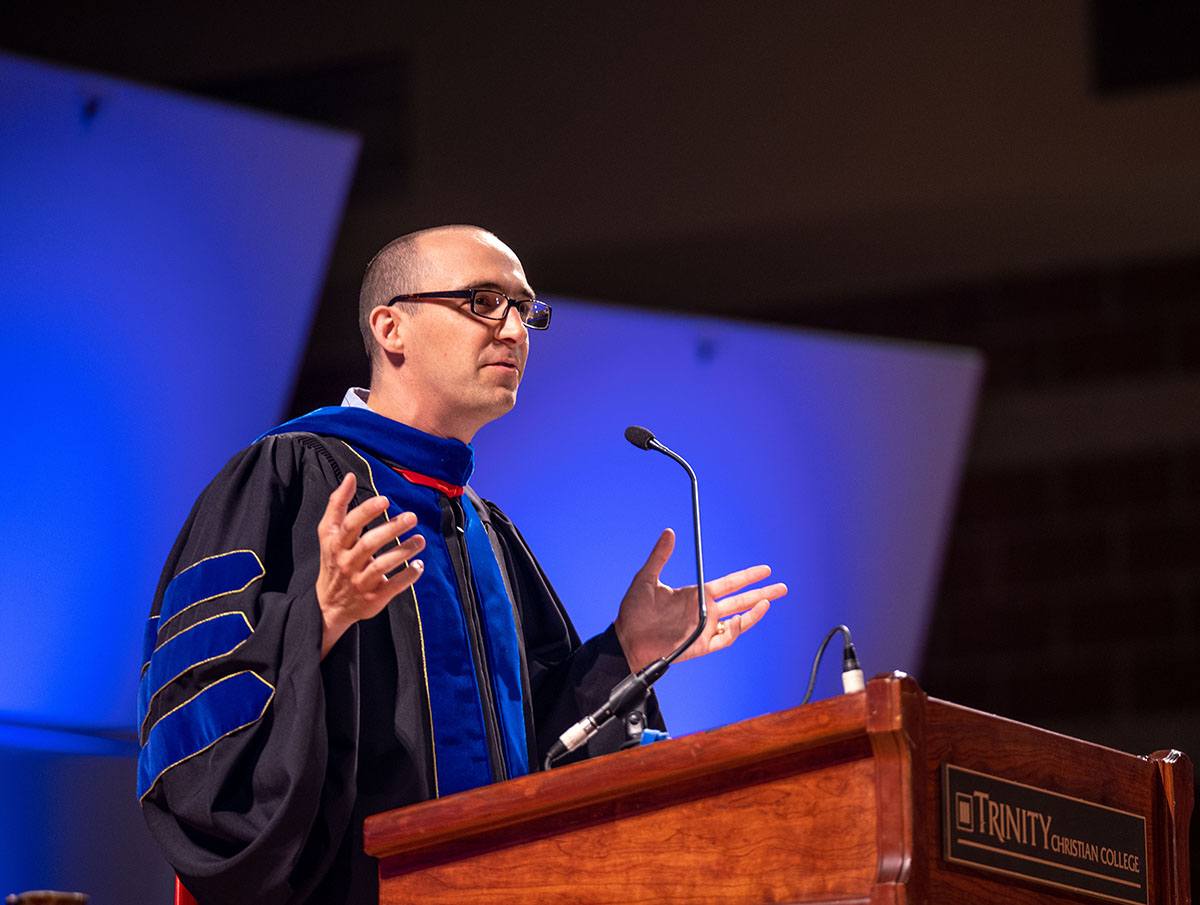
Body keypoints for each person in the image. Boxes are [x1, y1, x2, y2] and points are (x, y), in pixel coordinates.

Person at [136, 225, 787, 905]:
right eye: (482, 300)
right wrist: (318, 618)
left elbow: (535, 753)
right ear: (392, 329)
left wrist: (626, 653)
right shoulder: (287, 477)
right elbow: (193, 717)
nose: (513, 329)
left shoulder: (484, 530)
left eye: (525, 308)